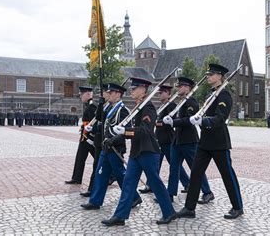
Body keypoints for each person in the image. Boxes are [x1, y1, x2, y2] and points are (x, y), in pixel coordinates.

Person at [101, 78, 177, 226]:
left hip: (148, 151)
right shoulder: (138, 107)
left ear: (143, 90)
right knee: (128, 183)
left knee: (155, 183)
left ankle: (169, 212)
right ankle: (120, 216)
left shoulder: (148, 108)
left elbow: (145, 130)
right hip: (137, 152)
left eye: (134, 88)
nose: (131, 90)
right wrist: (118, 135)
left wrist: (125, 131)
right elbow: (133, 131)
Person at [177, 63, 243, 220]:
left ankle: (237, 207)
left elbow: (220, 118)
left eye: (211, 74)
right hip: (205, 142)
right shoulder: (209, 94)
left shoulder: (224, 95)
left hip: (219, 142)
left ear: (219, 76)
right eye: (208, 74)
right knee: (196, 174)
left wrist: (203, 121)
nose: (208, 76)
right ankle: (189, 208)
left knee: (227, 175)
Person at [80, 83, 141, 211]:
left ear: (118, 94)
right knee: (100, 173)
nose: (109, 94)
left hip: (115, 148)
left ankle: (134, 197)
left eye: (111, 93)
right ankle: (95, 201)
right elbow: (103, 124)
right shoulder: (109, 108)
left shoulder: (123, 110)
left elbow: (126, 132)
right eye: (108, 92)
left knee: (120, 175)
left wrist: (113, 141)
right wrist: (93, 128)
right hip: (105, 147)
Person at [163, 76, 214, 203]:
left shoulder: (192, 102)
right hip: (178, 140)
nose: (178, 89)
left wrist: (173, 122)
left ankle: (207, 192)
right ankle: (170, 194)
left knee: (195, 168)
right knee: (174, 168)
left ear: (187, 88)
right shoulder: (182, 102)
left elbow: (189, 120)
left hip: (189, 140)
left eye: (180, 86)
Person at [139, 85, 190, 195]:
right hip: (159, 138)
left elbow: (172, 121)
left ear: (168, 94)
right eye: (159, 93)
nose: (159, 94)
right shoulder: (161, 106)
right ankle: (151, 184)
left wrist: (158, 123)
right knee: (155, 164)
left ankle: (187, 183)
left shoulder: (171, 105)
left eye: (162, 92)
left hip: (168, 139)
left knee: (175, 165)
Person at [80, 85, 110, 197]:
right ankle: (93, 193)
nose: (101, 95)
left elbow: (106, 125)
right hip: (99, 142)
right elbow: (98, 118)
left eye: (104, 93)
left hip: (109, 143)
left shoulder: (114, 108)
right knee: (97, 167)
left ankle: (134, 197)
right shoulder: (104, 106)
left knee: (118, 172)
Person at [65, 86, 97, 185]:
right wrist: (83, 128)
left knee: (98, 157)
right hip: (84, 136)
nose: (80, 97)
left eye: (81, 94)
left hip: (89, 137)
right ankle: (76, 178)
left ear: (88, 94)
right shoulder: (88, 105)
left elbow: (94, 123)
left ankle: (111, 175)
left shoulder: (92, 106)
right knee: (80, 157)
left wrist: (90, 136)